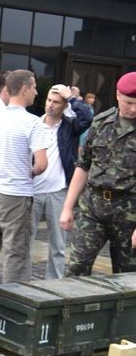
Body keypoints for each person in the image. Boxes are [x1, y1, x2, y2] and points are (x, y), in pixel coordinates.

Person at [0, 70, 49, 317]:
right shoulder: (33, 122)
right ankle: (11, 308)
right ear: (24, 88)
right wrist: (30, 170)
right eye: (34, 87)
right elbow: (42, 164)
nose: (36, 92)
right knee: (16, 253)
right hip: (16, 195)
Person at [60, 71, 136, 276]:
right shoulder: (101, 123)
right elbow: (83, 166)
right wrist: (68, 207)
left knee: (128, 276)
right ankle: (72, 308)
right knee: (76, 268)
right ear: (118, 95)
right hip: (93, 207)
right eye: (129, 102)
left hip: (130, 212)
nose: (133, 108)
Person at [30, 84, 93, 279]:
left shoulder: (69, 126)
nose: (50, 105)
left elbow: (88, 118)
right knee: (24, 243)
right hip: (32, 191)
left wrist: (72, 98)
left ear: (64, 105)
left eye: (56, 102)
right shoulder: (33, 124)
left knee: (58, 245)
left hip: (58, 191)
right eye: (49, 100)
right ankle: (22, 285)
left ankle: (54, 286)